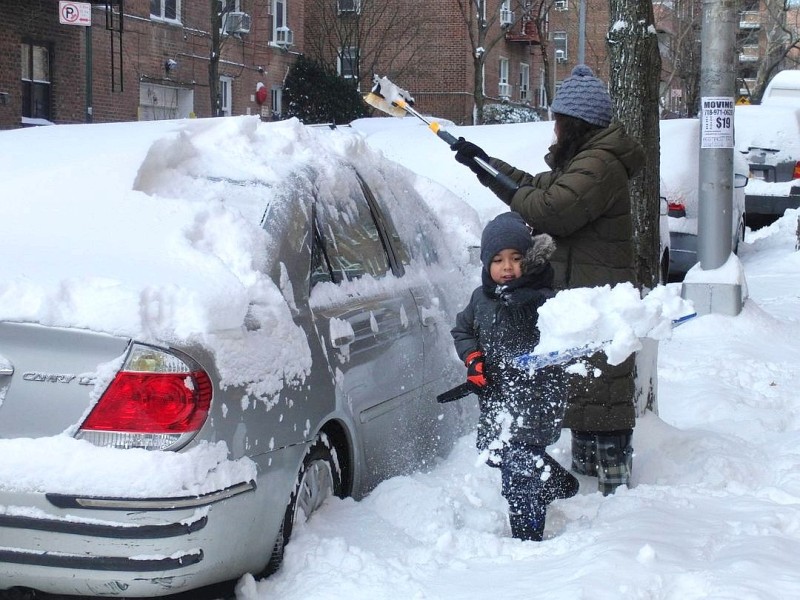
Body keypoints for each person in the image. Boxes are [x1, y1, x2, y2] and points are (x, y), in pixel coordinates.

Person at [451, 65, 646, 496]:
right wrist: (483, 164)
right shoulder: (585, 160)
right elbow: (533, 187)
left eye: (558, 119)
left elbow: (550, 209)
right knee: (586, 390)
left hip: (597, 294)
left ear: (574, 122)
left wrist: (492, 174)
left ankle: (615, 500)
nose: (553, 128)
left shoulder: (599, 164)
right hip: (584, 288)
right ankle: (589, 485)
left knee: (603, 392)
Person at [451, 211, 579, 541]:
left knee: (519, 470)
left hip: (537, 396)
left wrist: (534, 300)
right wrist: (473, 359)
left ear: (530, 260)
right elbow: (462, 330)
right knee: (493, 449)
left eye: (515, 258)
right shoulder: (481, 299)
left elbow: (569, 328)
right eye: (497, 260)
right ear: (485, 263)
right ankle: (555, 481)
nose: (506, 267)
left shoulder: (543, 297)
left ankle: (527, 541)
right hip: (496, 396)